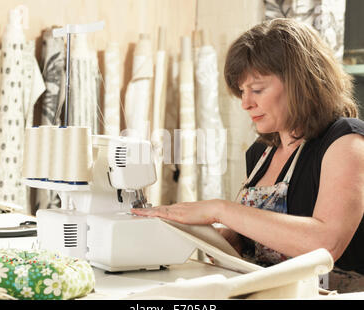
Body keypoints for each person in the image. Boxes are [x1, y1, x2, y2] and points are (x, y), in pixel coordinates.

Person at [131, 18, 364, 293]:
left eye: (256, 89)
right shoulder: (261, 151)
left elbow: (325, 243)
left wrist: (220, 210)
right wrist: (219, 239)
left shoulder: (346, 140)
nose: (245, 103)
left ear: (301, 83)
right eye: (242, 91)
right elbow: (258, 238)